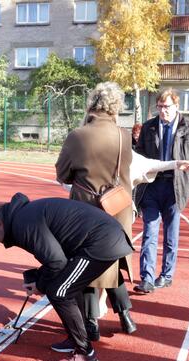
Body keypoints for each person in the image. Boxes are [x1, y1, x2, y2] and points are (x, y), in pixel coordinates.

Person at [0, 193, 134, 361]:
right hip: (101, 238)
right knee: (66, 287)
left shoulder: (22, 223)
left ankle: (85, 353)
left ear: (0, 224)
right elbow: (55, 259)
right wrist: (40, 279)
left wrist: (40, 283)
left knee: (60, 291)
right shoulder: (22, 216)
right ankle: (75, 337)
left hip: (100, 242)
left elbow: (56, 262)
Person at [55, 82, 137, 339]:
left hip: (87, 209)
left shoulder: (78, 135)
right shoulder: (124, 135)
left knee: (86, 263)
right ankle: (125, 314)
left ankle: (90, 323)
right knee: (111, 262)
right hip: (118, 207)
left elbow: (62, 173)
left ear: (92, 103)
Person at [133, 89, 189, 293]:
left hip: (175, 188)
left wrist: (188, 185)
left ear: (176, 106)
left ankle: (166, 275)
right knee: (149, 232)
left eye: (167, 107)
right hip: (152, 187)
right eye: (160, 107)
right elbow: (138, 158)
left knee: (171, 235)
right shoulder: (149, 128)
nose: (163, 111)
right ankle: (146, 279)